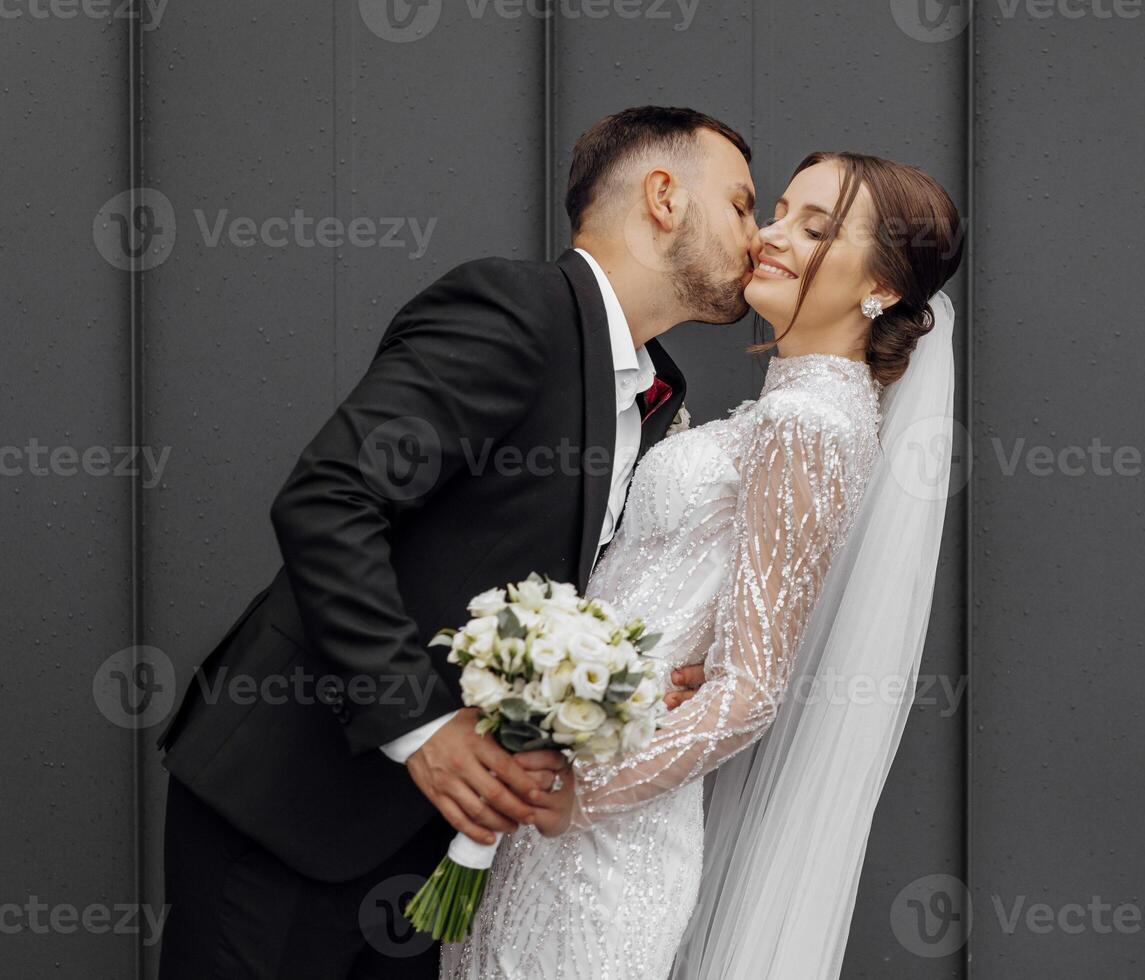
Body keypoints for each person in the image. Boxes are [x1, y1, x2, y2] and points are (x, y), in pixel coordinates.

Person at [154, 105, 757, 980]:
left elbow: (557, 582)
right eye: (741, 204)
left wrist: (648, 676)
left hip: (438, 845)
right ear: (664, 197)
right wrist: (420, 725)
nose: (759, 233)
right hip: (295, 798)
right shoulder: (516, 310)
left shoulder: (659, 395)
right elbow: (328, 497)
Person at [443, 150, 963, 979]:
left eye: (817, 228)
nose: (774, 235)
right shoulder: (802, 409)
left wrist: (577, 797)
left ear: (883, 288)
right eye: (782, 211)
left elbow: (750, 690)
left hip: (607, 837)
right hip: (571, 798)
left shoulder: (810, 424)